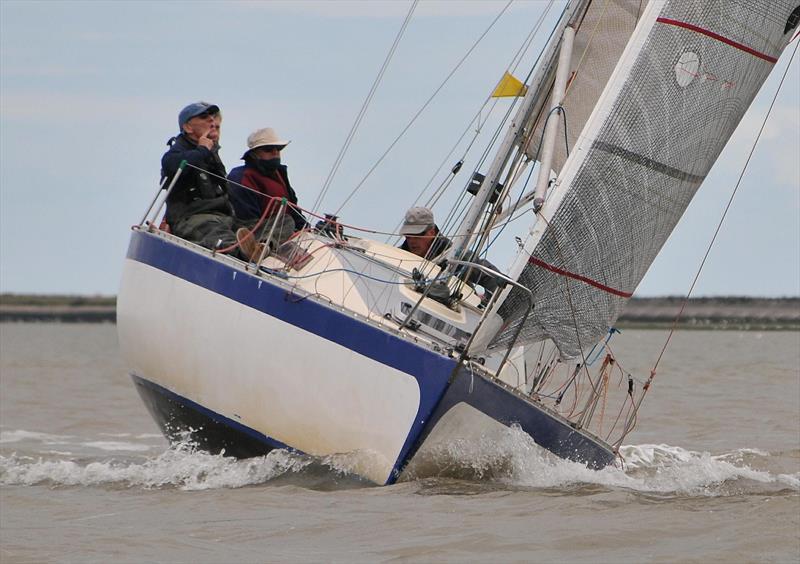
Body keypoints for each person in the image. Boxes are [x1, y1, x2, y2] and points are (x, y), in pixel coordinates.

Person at [161, 101, 250, 256]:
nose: (211, 120)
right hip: (192, 218)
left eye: (212, 116)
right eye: (203, 116)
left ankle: (265, 249)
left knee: (273, 223)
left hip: (223, 218)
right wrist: (202, 150)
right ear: (187, 127)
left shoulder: (212, 154)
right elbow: (171, 166)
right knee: (218, 233)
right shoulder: (177, 153)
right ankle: (242, 253)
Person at [399, 206, 501, 302]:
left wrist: (496, 302)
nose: (412, 241)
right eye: (408, 236)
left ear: (431, 232)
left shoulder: (454, 255)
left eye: (417, 236)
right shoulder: (397, 256)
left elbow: (487, 275)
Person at [228, 127, 306, 248]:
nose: (275, 153)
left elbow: (294, 210)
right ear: (254, 154)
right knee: (286, 221)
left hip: (280, 231)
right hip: (248, 229)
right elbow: (245, 218)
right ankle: (261, 248)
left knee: (291, 223)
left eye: (278, 149)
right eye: (268, 149)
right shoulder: (241, 177)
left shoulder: (280, 176)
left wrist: (306, 229)